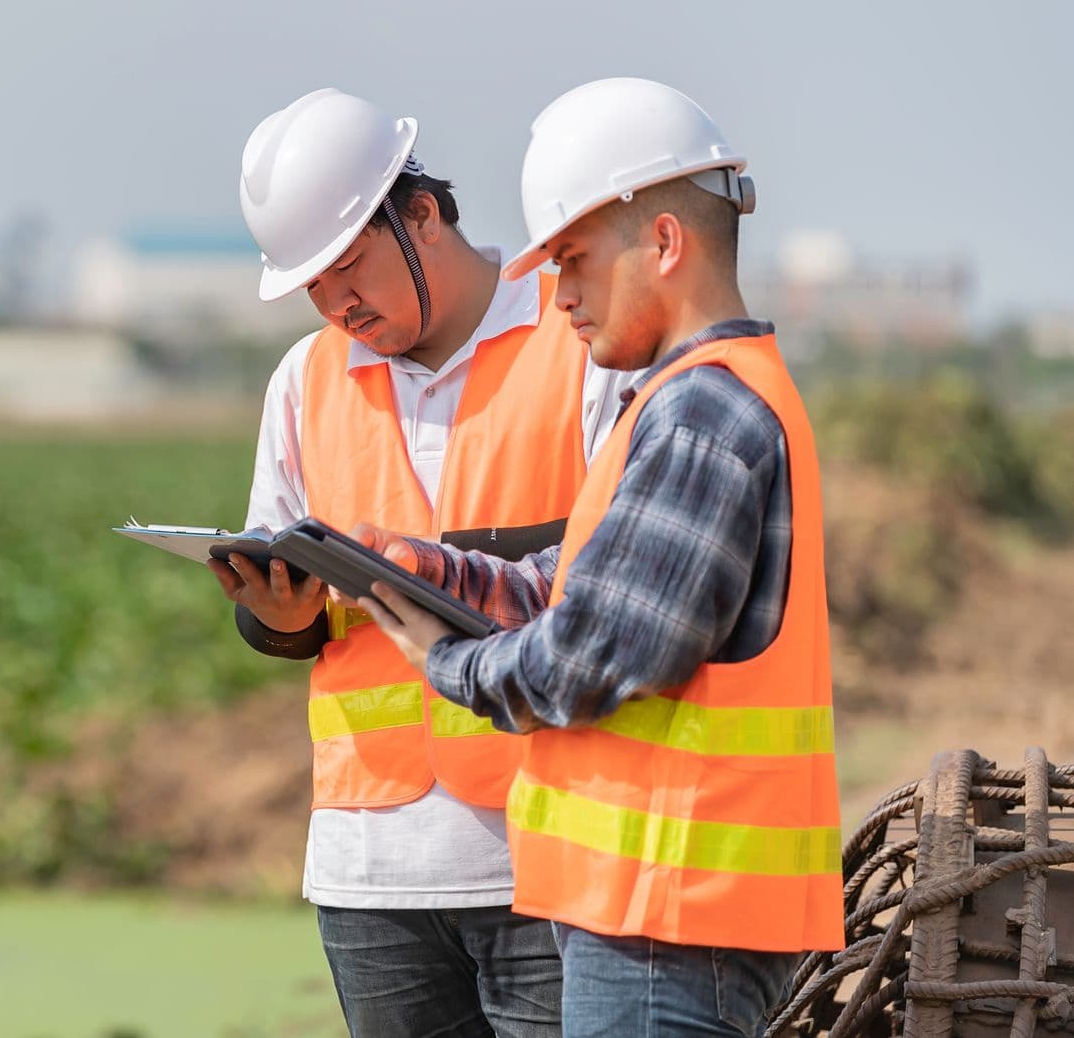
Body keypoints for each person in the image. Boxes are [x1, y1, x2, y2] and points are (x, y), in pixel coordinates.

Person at [344, 78, 843, 1037]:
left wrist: (447, 663)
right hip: (660, 914)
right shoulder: (686, 399)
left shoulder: (704, 411)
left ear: (664, 241)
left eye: (573, 259)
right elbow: (580, 587)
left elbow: (600, 651)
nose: (558, 295)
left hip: (671, 915)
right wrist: (436, 574)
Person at [214, 87, 630, 1038]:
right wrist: (278, 617)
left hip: (549, 853)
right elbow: (283, 604)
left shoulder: (580, 344)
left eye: (348, 267)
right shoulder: (304, 381)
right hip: (369, 874)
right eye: (312, 286)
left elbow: (614, 585)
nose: (337, 304)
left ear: (425, 215)